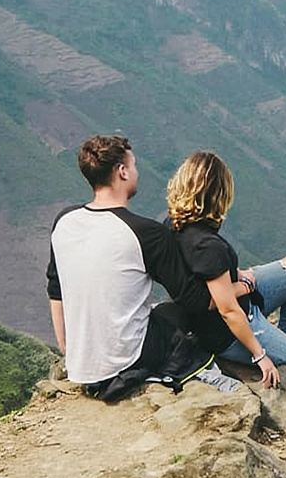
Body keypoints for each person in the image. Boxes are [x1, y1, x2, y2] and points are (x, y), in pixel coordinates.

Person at [45, 134, 239, 398]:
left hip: (81, 365)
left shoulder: (64, 221)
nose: (136, 171)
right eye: (133, 165)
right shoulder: (145, 233)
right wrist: (240, 286)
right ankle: (209, 377)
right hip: (126, 359)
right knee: (174, 315)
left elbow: (55, 289)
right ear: (122, 172)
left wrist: (69, 350)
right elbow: (194, 299)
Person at [164, 150, 286, 413]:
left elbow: (203, 281)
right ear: (218, 195)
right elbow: (228, 309)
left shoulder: (174, 225)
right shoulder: (207, 246)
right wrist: (261, 355)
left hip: (240, 305)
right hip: (231, 331)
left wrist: (237, 275)